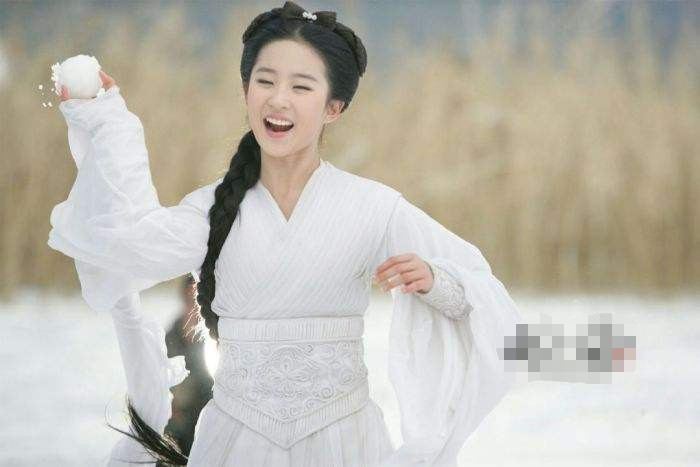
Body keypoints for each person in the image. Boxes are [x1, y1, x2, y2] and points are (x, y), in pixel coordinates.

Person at [49, 1, 524, 465]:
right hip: (234, 444)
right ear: (246, 91)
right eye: (265, 81)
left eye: (301, 86)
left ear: (333, 107)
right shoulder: (210, 210)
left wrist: (435, 281)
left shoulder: (373, 208)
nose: (279, 99)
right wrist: (109, 124)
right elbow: (125, 243)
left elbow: (486, 304)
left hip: (346, 444)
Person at [164, 275, 214, 457]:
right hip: (180, 414)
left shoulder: (213, 336)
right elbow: (160, 380)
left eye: (196, 298)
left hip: (207, 408)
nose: (193, 304)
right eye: (189, 297)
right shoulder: (171, 335)